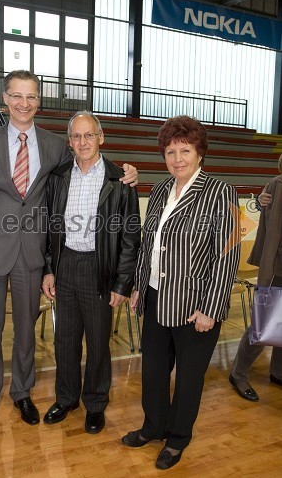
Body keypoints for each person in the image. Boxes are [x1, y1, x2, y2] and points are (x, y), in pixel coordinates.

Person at [0, 70, 138, 441]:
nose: (25, 103)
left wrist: (128, 172)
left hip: (32, 257)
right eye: (17, 96)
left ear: (39, 101)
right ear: (6, 99)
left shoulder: (55, 145)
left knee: (26, 334)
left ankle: (22, 393)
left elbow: (95, 163)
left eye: (32, 96)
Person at [121, 115, 240, 470]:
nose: (177, 158)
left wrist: (212, 309)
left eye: (184, 150)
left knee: (188, 379)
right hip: (156, 296)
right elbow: (149, 245)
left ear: (199, 152)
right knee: (154, 371)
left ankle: (177, 438)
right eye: (170, 151)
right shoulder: (159, 189)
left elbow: (227, 257)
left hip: (195, 307)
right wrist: (140, 287)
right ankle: (153, 426)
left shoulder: (222, 192)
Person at [42, 111, 141, 434]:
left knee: (98, 342)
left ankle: (96, 403)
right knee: (65, 340)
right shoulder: (58, 177)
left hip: (100, 269)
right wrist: (49, 269)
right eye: (76, 136)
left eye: (89, 135)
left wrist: (122, 282)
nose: (83, 142)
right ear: (69, 142)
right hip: (66, 265)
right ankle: (67, 398)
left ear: (101, 137)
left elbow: (130, 237)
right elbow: (49, 228)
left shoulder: (120, 180)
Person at [229, 153, 282, 402]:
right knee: (263, 327)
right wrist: (261, 202)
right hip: (277, 268)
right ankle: (239, 373)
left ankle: (278, 372)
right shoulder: (277, 184)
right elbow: (270, 225)